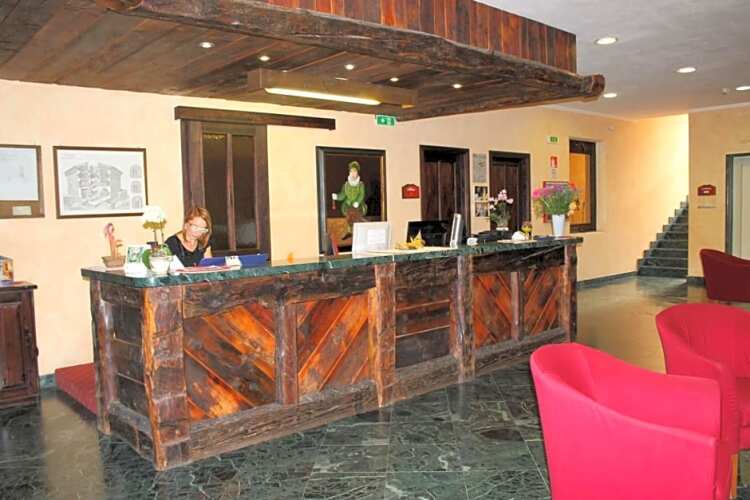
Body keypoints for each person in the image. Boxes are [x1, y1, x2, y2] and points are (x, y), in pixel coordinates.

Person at [331, 161, 367, 237]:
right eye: (351, 171)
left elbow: (361, 194)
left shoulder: (360, 184)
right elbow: (343, 195)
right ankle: (349, 231)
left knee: (355, 213)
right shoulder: (346, 185)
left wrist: (357, 202)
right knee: (349, 213)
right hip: (348, 204)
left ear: (357, 173)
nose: (353, 173)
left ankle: (356, 231)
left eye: (355, 171)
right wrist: (337, 196)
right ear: (349, 173)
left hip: (358, 205)